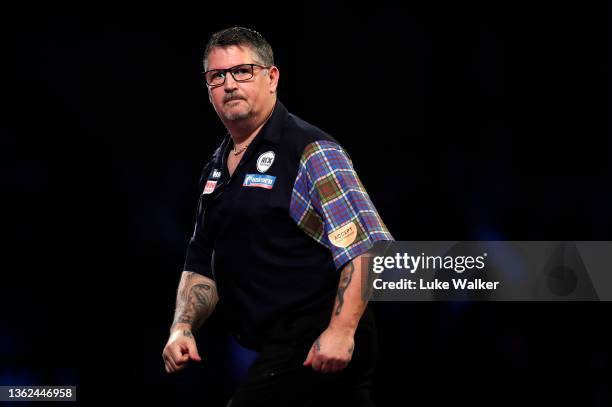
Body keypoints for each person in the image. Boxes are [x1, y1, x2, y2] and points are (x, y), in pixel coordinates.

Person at [162, 26, 393, 406]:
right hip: (276, 343)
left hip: (316, 337)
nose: (229, 84)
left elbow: (367, 248)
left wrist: (341, 330)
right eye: (217, 76)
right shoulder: (216, 169)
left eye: (243, 71)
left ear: (272, 78)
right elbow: (201, 261)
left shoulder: (311, 150)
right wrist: (182, 326)